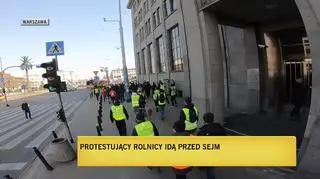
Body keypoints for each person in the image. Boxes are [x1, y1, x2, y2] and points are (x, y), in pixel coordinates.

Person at [197, 112, 226, 179]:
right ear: (213, 119)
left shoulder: (203, 131)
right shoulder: (219, 127)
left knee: (210, 169)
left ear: (204, 120)